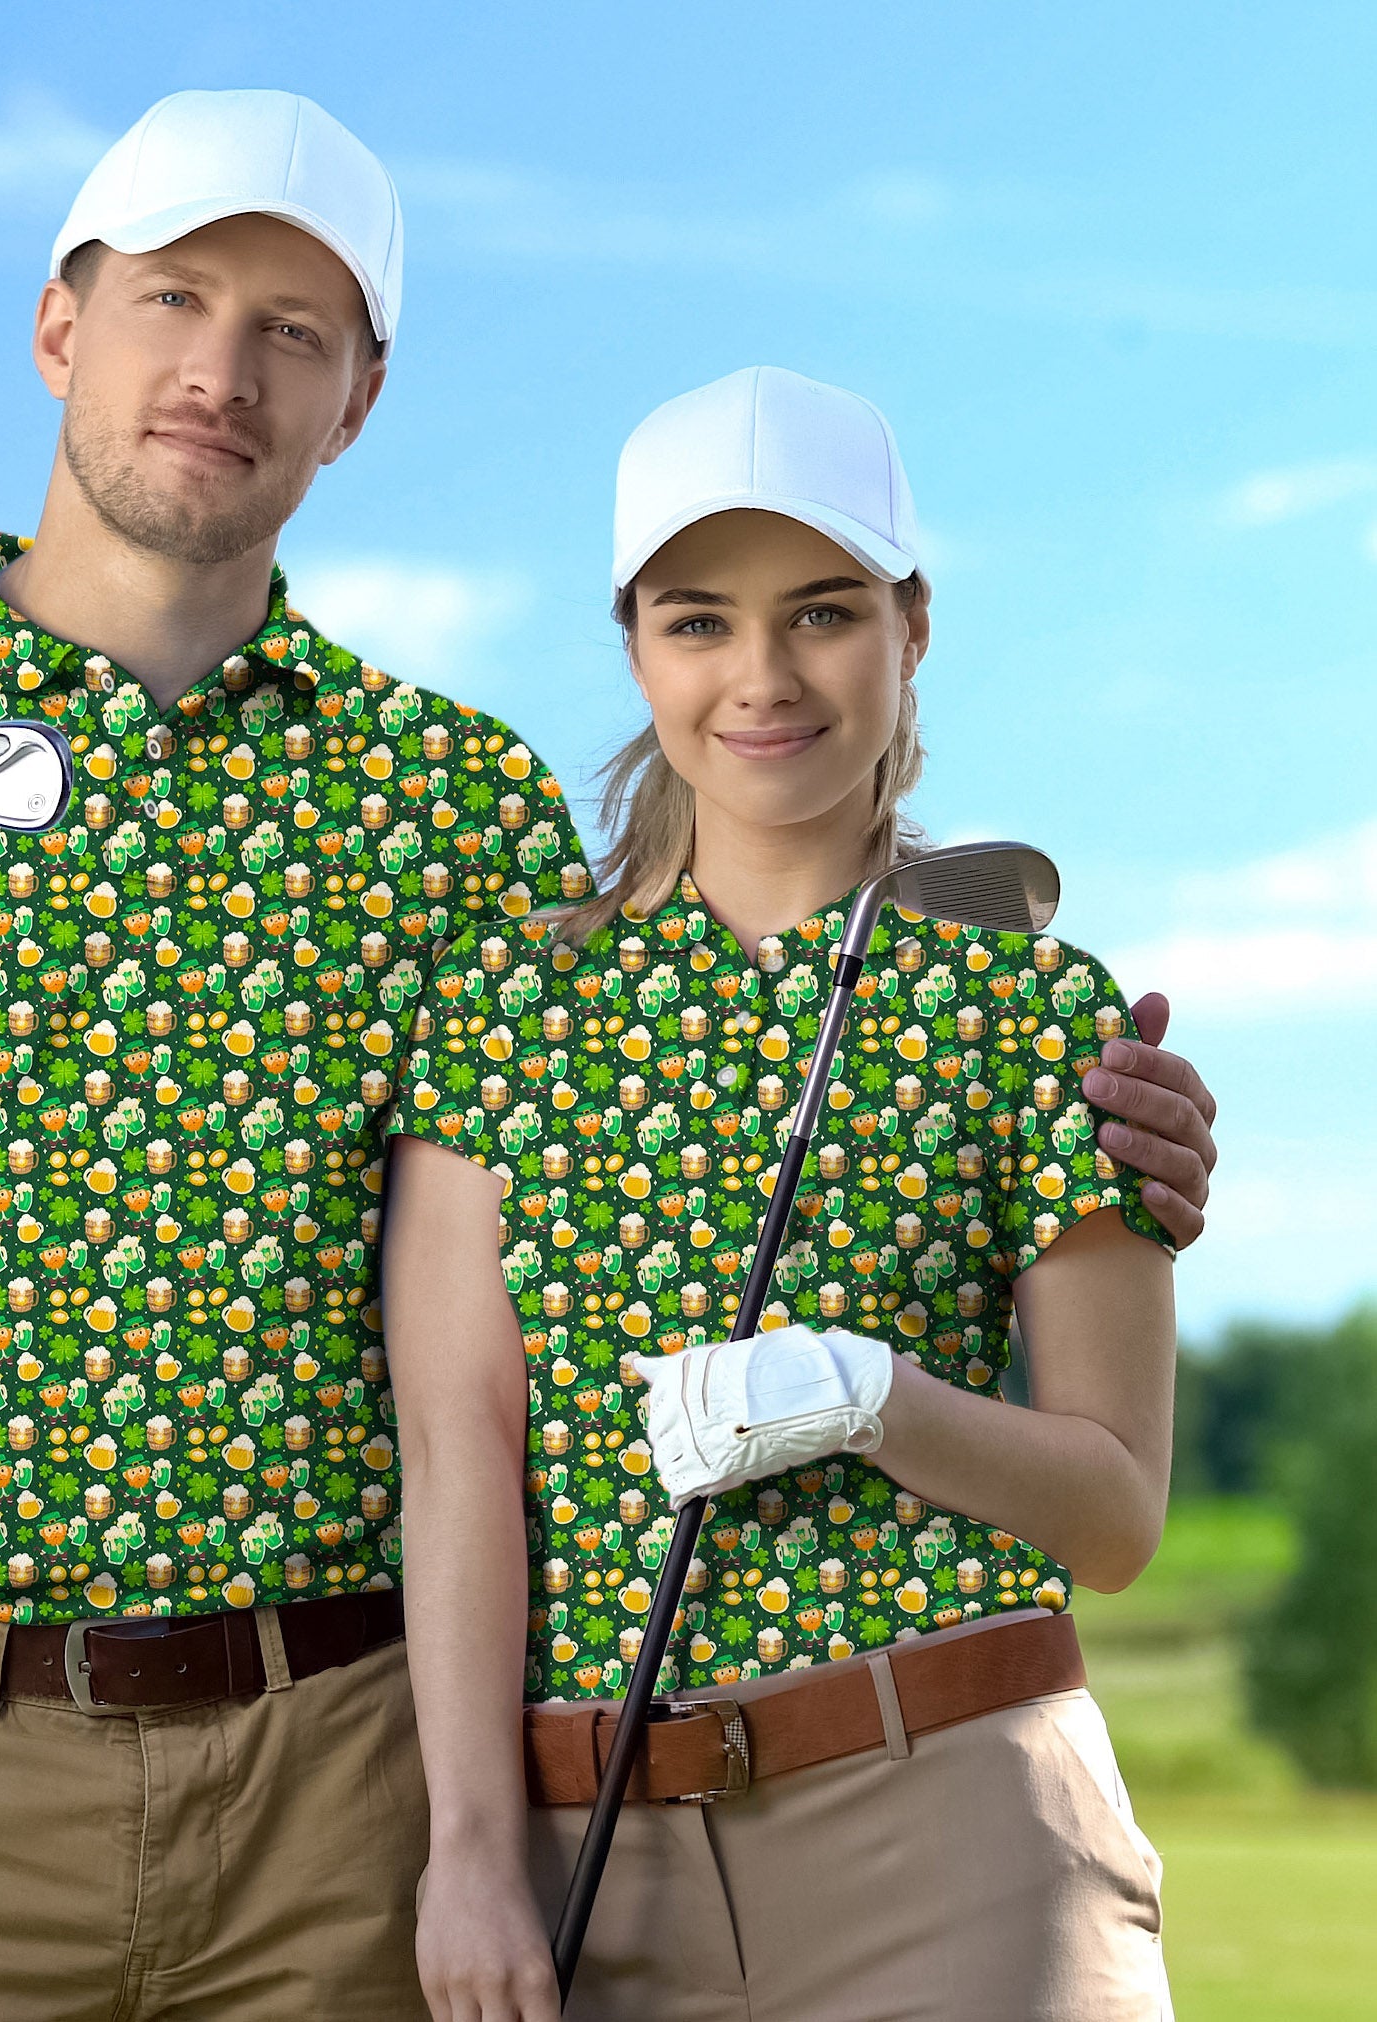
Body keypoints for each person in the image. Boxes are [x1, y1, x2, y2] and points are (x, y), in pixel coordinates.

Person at [0, 90, 1216, 2015]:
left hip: (346, 1786)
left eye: (291, 331)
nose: (220, 372)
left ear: (358, 397)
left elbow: (685, 1109)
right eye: (173, 300)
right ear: (60, 325)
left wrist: (1065, 1097)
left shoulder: (455, 802)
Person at [382, 366, 1183, 2020]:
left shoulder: (1032, 1008)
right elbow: (460, 1453)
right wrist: (466, 1847)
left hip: (956, 1810)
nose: (760, 677)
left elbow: (1111, 1516)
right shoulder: (502, 1013)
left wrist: (871, 1398)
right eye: (697, 622)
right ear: (631, 646)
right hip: (597, 1853)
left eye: (820, 613)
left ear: (910, 627)